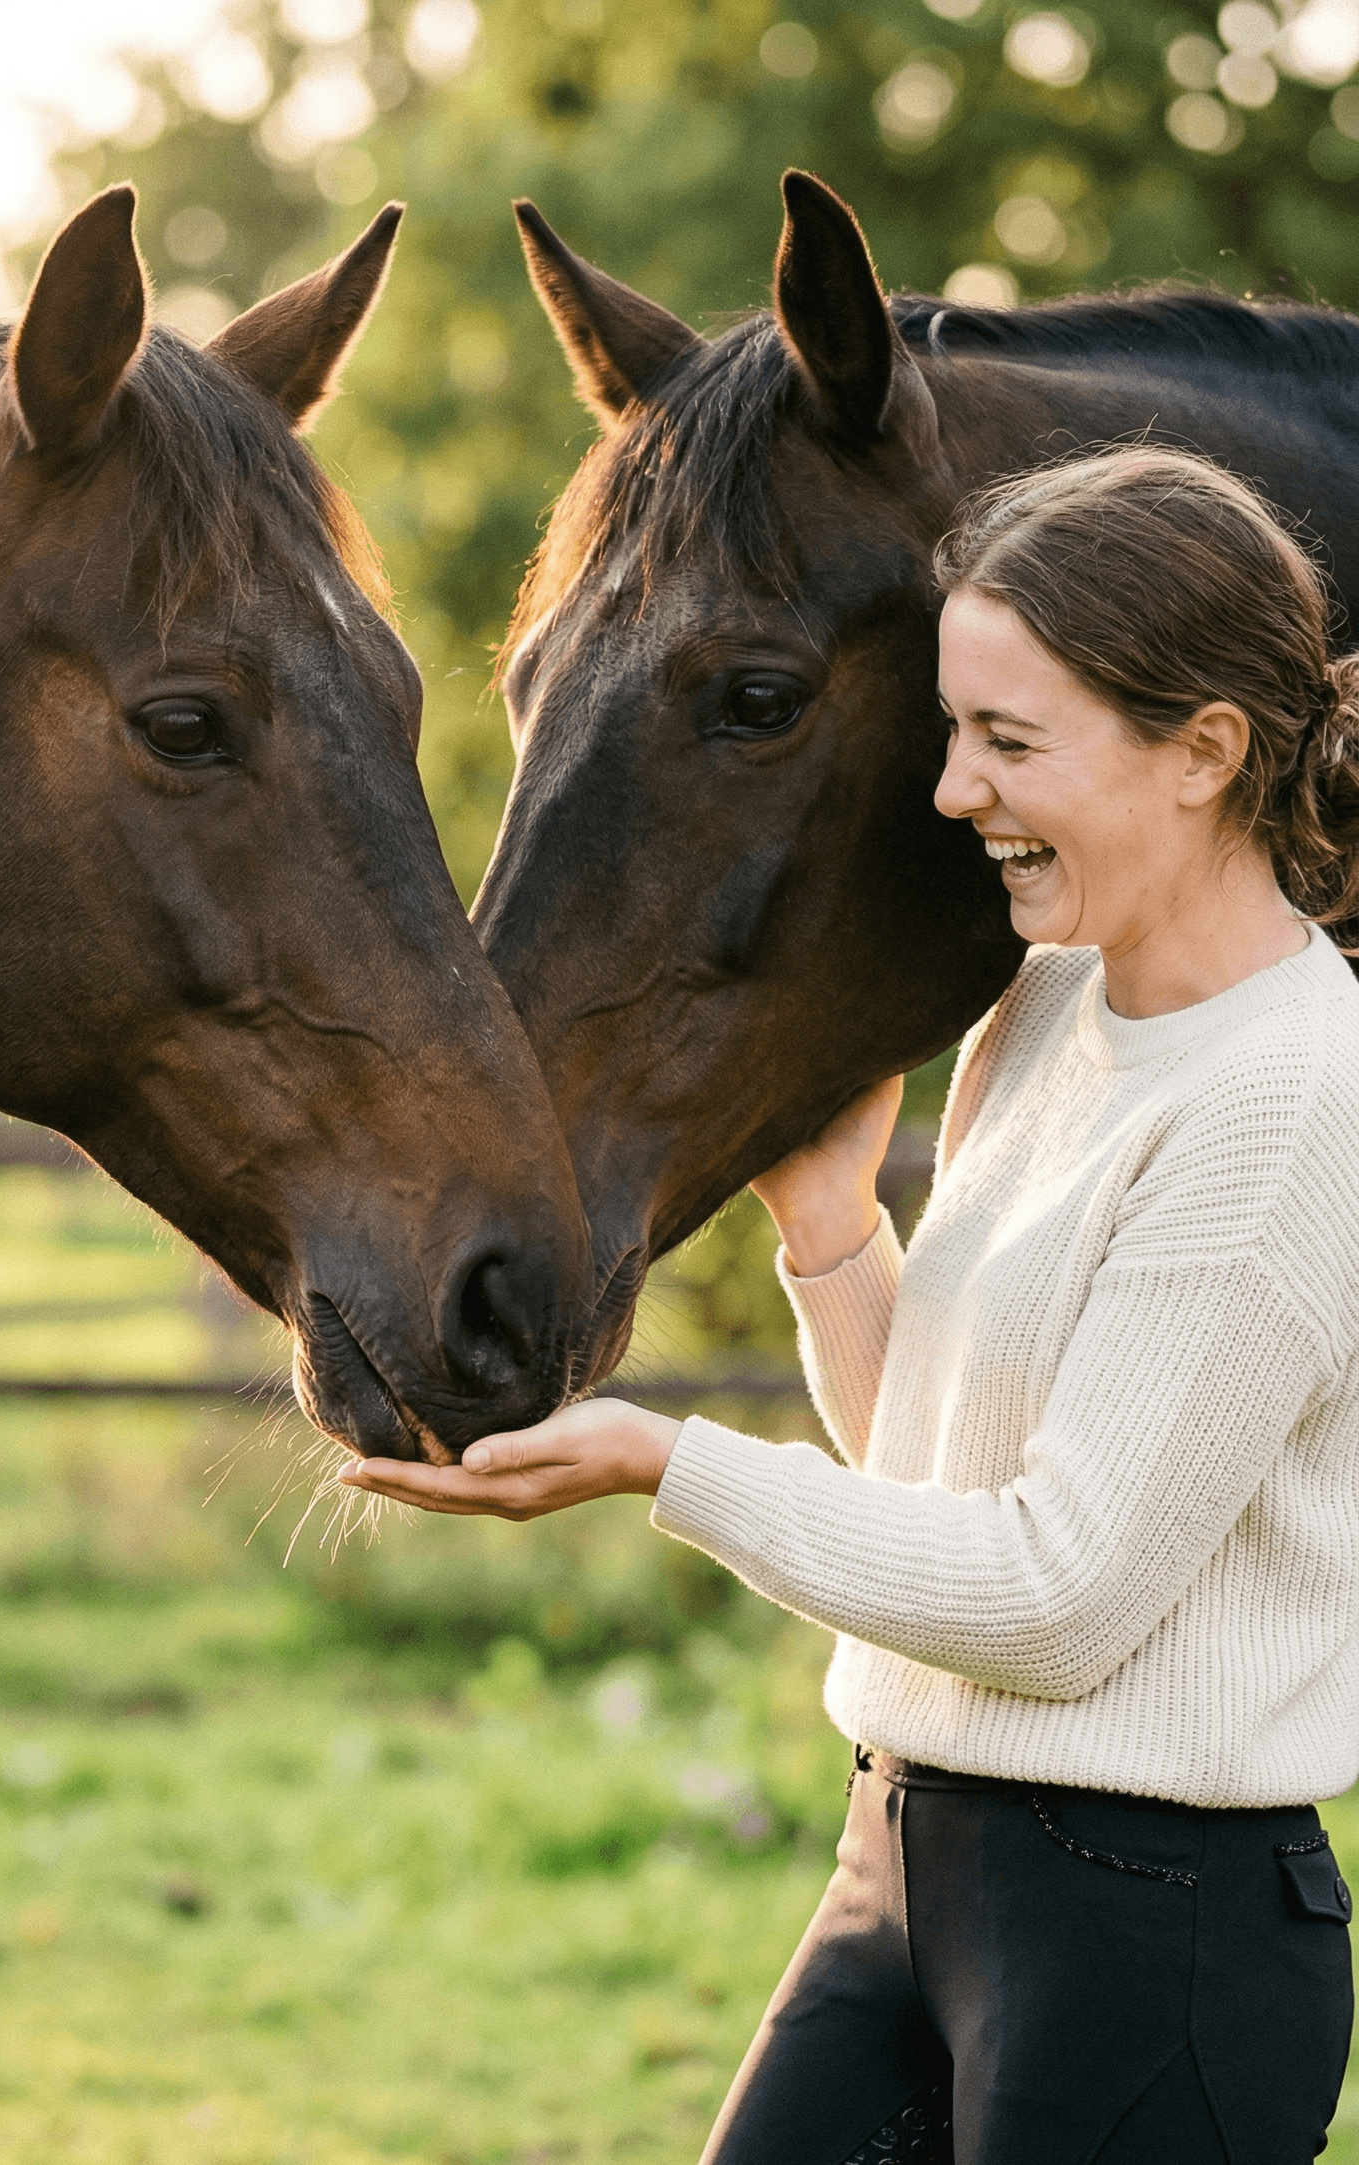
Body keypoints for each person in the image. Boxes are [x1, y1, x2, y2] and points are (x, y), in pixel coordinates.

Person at [341, 447, 1359, 2163]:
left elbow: (1054, 1594)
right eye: (955, 731)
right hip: (899, 1862)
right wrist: (832, 1242)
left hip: (1149, 1932)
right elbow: (938, 1500)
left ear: (1204, 756)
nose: (956, 792)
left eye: (1010, 742)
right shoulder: (1043, 1012)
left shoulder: (1288, 1101)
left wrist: (671, 1467)